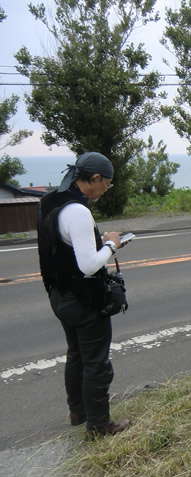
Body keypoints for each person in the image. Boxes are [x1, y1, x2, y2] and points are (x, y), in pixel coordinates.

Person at [37, 152, 131, 439]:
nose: (105, 189)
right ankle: (99, 426)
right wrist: (112, 245)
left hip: (59, 294)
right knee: (97, 363)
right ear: (95, 178)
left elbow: (66, 246)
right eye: (107, 184)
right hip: (84, 299)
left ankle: (77, 412)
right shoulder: (78, 211)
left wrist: (97, 242)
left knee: (76, 354)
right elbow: (89, 265)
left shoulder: (51, 202)